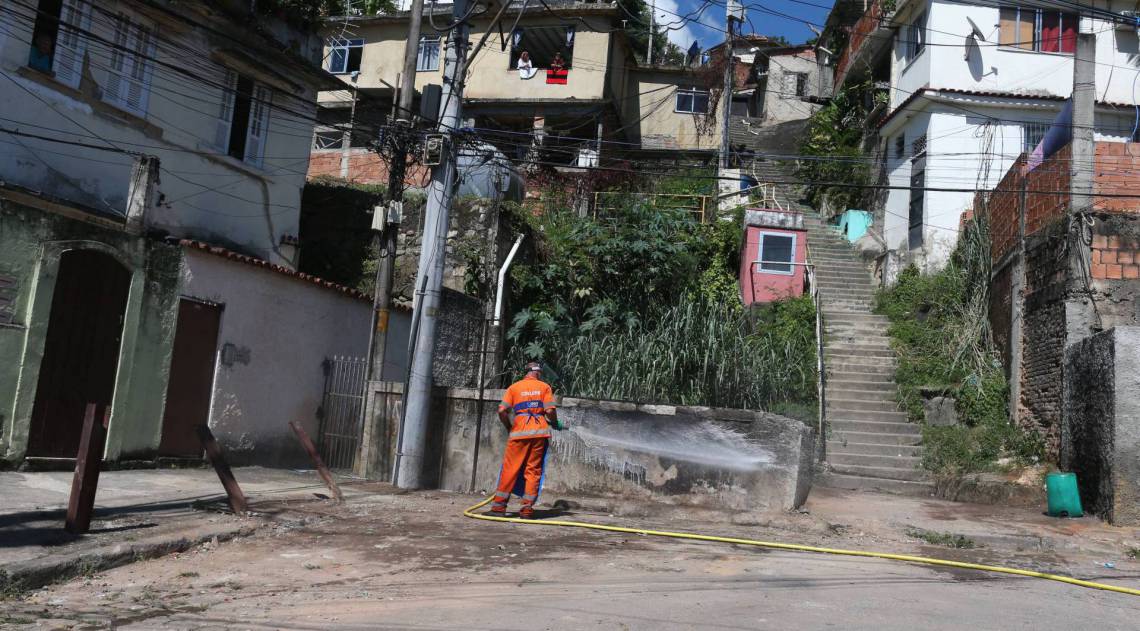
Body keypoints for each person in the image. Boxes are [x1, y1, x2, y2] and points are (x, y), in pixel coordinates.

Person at [490, 361, 565, 519]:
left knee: (510, 469)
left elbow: (502, 410)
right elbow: (550, 410)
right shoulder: (544, 387)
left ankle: (498, 507)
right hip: (539, 434)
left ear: (526, 372)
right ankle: (526, 510)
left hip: (518, 434)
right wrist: (555, 422)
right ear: (537, 373)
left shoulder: (514, 387)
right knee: (533, 471)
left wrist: (508, 426)